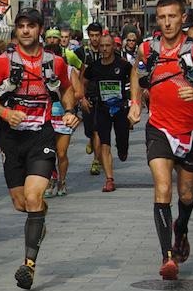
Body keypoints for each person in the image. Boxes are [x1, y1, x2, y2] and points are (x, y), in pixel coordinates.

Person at [127, 0, 193, 281]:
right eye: (162, 17)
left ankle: (181, 229)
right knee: (162, 188)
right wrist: (135, 102)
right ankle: (167, 257)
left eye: (172, 16)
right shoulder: (148, 48)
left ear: (183, 18)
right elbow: (136, 73)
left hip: (190, 130)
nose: (167, 22)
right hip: (158, 128)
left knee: (186, 195)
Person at [0, 7, 79, 290]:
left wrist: (69, 111)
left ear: (40, 30)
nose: (25, 30)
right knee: (22, 203)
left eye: (31, 26)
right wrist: (5, 113)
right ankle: (38, 218)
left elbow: (67, 88)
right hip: (11, 140)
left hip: (41, 138)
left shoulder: (54, 62)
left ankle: (29, 266)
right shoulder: (3, 62)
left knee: (34, 197)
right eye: (21, 25)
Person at [82, 34, 132, 192]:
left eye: (107, 45)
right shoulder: (94, 66)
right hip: (102, 109)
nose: (104, 49)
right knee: (104, 143)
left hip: (121, 110)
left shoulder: (123, 65)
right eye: (102, 46)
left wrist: (135, 102)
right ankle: (109, 179)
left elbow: (135, 81)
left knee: (122, 143)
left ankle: (123, 150)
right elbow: (83, 81)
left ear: (114, 46)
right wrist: (83, 98)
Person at [43, 25, 83, 198]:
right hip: (46, 116)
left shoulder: (68, 69)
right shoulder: (40, 71)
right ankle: (51, 178)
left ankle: (62, 181)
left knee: (61, 153)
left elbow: (79, 92)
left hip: (63, 117)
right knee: (47, 151)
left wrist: (67, 99)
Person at [75, 23, 104, 176]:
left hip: (103, 97)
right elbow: (76, 76)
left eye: (97, 35)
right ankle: (91, 140)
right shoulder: (81, 53)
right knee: (89, 130)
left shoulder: (107, 50)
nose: (94, 38)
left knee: (98, 130)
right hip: (88, 96)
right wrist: (81, 98)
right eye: (92, 35)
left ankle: (96, 161)